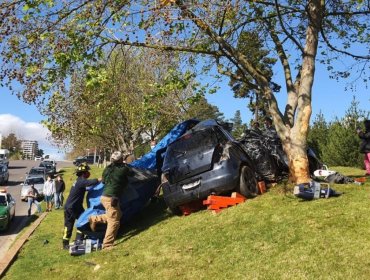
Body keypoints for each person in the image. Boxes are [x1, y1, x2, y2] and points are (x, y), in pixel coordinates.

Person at [89, 151, 130, 250]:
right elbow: (132, 173)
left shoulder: (107, 169)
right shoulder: (124, 169)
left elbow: (103, 181)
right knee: (114, 221)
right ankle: (107, 244)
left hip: (104, 196)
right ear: (120, 160)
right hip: (111, 198)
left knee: (117, 214)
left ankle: (94, 219)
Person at [62, 164, 101, 249]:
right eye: (87, 172)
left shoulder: (78, 181)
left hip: (74, 206)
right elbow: (91, 182)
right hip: (72, 207)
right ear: (83, 173)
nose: (88, 173)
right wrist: (101, 179)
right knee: (75, 223)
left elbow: (85, 188)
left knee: (79, 222)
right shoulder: (81, 181)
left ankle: (74, 241)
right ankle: (71, 242)